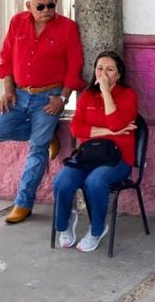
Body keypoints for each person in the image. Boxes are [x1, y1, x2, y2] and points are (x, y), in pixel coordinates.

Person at [0, 0, 85, 224]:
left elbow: (75, 65)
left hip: (48, 97)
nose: (46, 10)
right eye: (40, 6)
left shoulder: (67, 28)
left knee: (37, 148)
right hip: (19, 94)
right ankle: (46, 134)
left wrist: (62, 99)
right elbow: (6, 57)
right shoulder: (17, 22)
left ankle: (23, 202)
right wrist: (8, 90)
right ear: (29, 6)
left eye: (51, 5)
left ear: (56, 2)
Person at [53, 51, 138, 252]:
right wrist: (108, 131)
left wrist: (107, 92)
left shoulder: (128, 95)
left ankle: (97, 229)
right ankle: (65, 223)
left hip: (118, 159)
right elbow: (75, 129)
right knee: (62, 182)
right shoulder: (87, 96)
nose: (103, 74)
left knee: (95, 181)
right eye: (100, 69)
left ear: (118, 74)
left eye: (109, 70)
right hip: (88, 155)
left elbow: (117, 123)